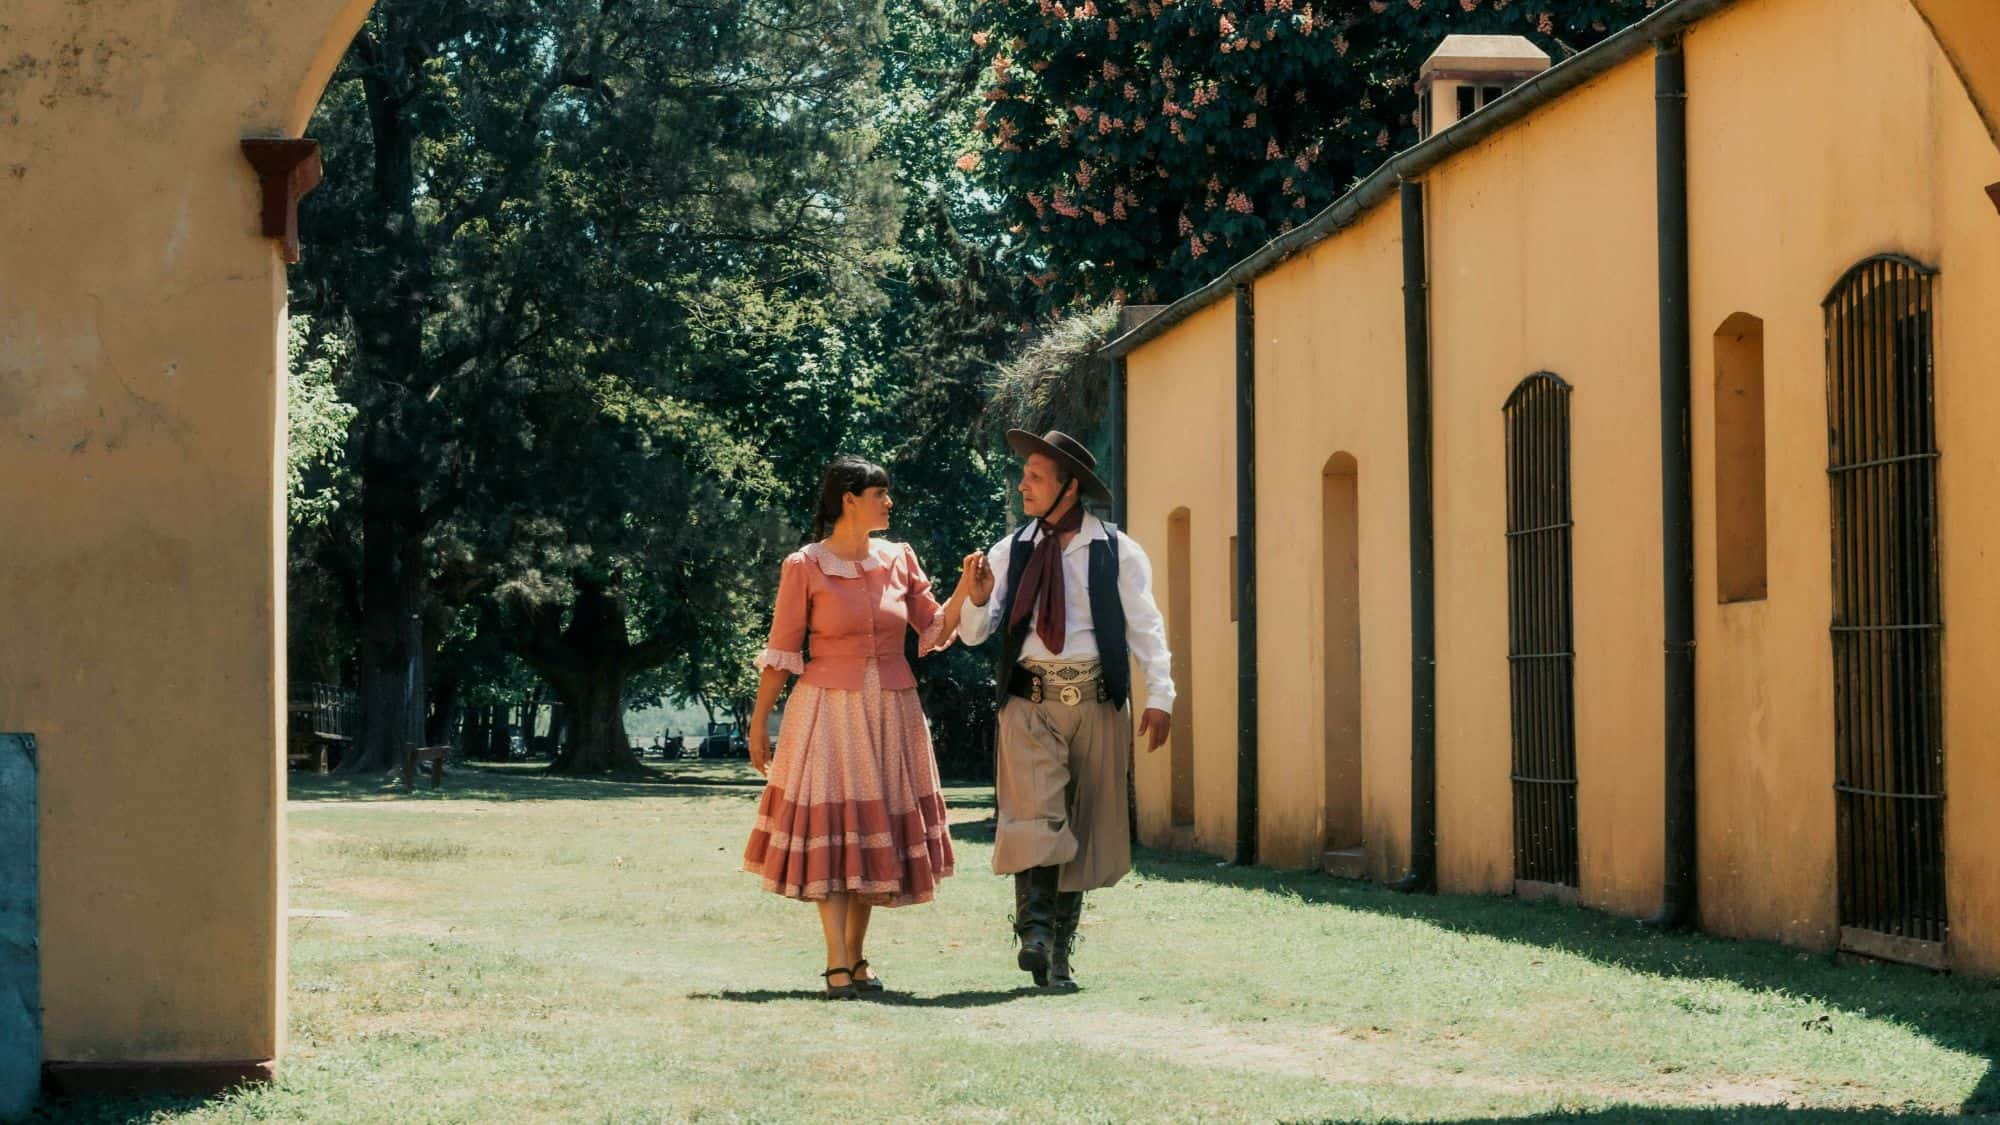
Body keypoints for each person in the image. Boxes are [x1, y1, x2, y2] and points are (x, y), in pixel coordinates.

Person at [741, 455, 983, 999]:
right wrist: (759, 726)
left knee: (871, 833)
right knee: (836, 830)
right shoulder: (804, 565)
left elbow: (934, 628)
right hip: (828, 711)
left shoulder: (899, 557)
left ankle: (856, 958)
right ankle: (836, 961)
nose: (889, 502)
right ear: (849, 499)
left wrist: (965, 589)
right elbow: (782, 652)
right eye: (880, 494)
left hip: (892, 711)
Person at [957, 430, 1175, 990]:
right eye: (1024, 474)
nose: (1022, 484)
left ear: (1069, 487)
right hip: (1029, 701)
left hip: (1098, 702)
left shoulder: (1118, 550)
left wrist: (1161, 695)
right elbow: (976, 633)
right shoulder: (1010, 550)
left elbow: (1145, 627)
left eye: (1035, 475)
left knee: (1082, 825)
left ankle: (1057, 952)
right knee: (1034, 816)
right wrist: (977, 599)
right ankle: (1033, 934)